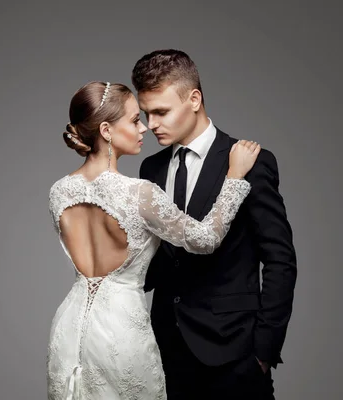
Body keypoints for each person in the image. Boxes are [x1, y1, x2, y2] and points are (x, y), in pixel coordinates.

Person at [46, 80, 260, 399]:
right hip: (121, 328)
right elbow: (205, 239)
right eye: (134, 120)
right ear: (105, 130)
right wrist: (234, 179)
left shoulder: (58, 191)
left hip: (70, 325)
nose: (145, 127)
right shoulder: (139, 194)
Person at [133, 49, 297, 399]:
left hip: (235, 350)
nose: (151, 124)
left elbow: (281, 259)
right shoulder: (151, 169)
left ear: (194, 99)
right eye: (146, 113)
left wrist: (264, 350)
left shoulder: (250, 160)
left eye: (161, 111)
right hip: (167, 347)